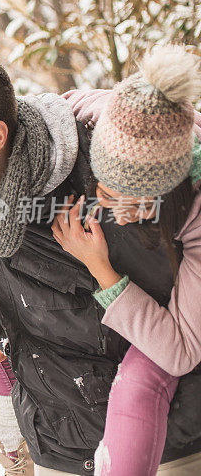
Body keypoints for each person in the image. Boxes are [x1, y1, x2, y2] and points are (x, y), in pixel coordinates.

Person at [0, 42, 201, 475]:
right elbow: (69, 106)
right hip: (55, 447)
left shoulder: (171, 210)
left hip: (167, 443)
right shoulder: (90, 124)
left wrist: (101, 270)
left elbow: (177, 350)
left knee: (141, 380)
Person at [52, 46, 201, 476]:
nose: (118, 212)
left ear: (169, 194)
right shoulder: (104, 113)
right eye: (108, 192)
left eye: (139, 203)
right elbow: (44, 110)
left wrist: (103, 272)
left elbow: (181, 350)